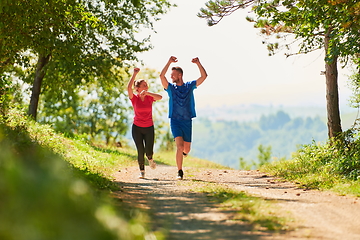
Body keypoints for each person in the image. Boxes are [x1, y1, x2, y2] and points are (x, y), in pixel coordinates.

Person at [160, 56, 208, 180]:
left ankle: (184, 154)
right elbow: (162, 76)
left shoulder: (189, 86)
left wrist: (198, 63)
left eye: (173, 75)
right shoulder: (171, 88)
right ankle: (179, 171)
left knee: (186, 149)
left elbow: (204, 76)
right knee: (179, 146)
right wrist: (169, 62)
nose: (171, 77)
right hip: (175, 121)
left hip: (187, 121)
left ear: (180, 75)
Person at [127, 68, 162, 179]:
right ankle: (142, 172)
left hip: (149, 128)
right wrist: (134, 74)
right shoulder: (134, 98)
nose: (146, 87)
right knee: (140, 150)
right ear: (137, 88)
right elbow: (128, 88)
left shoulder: (149, 98)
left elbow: (160, 97)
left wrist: (148, 93)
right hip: (137, 128)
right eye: (144, 85)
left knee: (148, 151)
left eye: (146, 85)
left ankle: (150, 159)